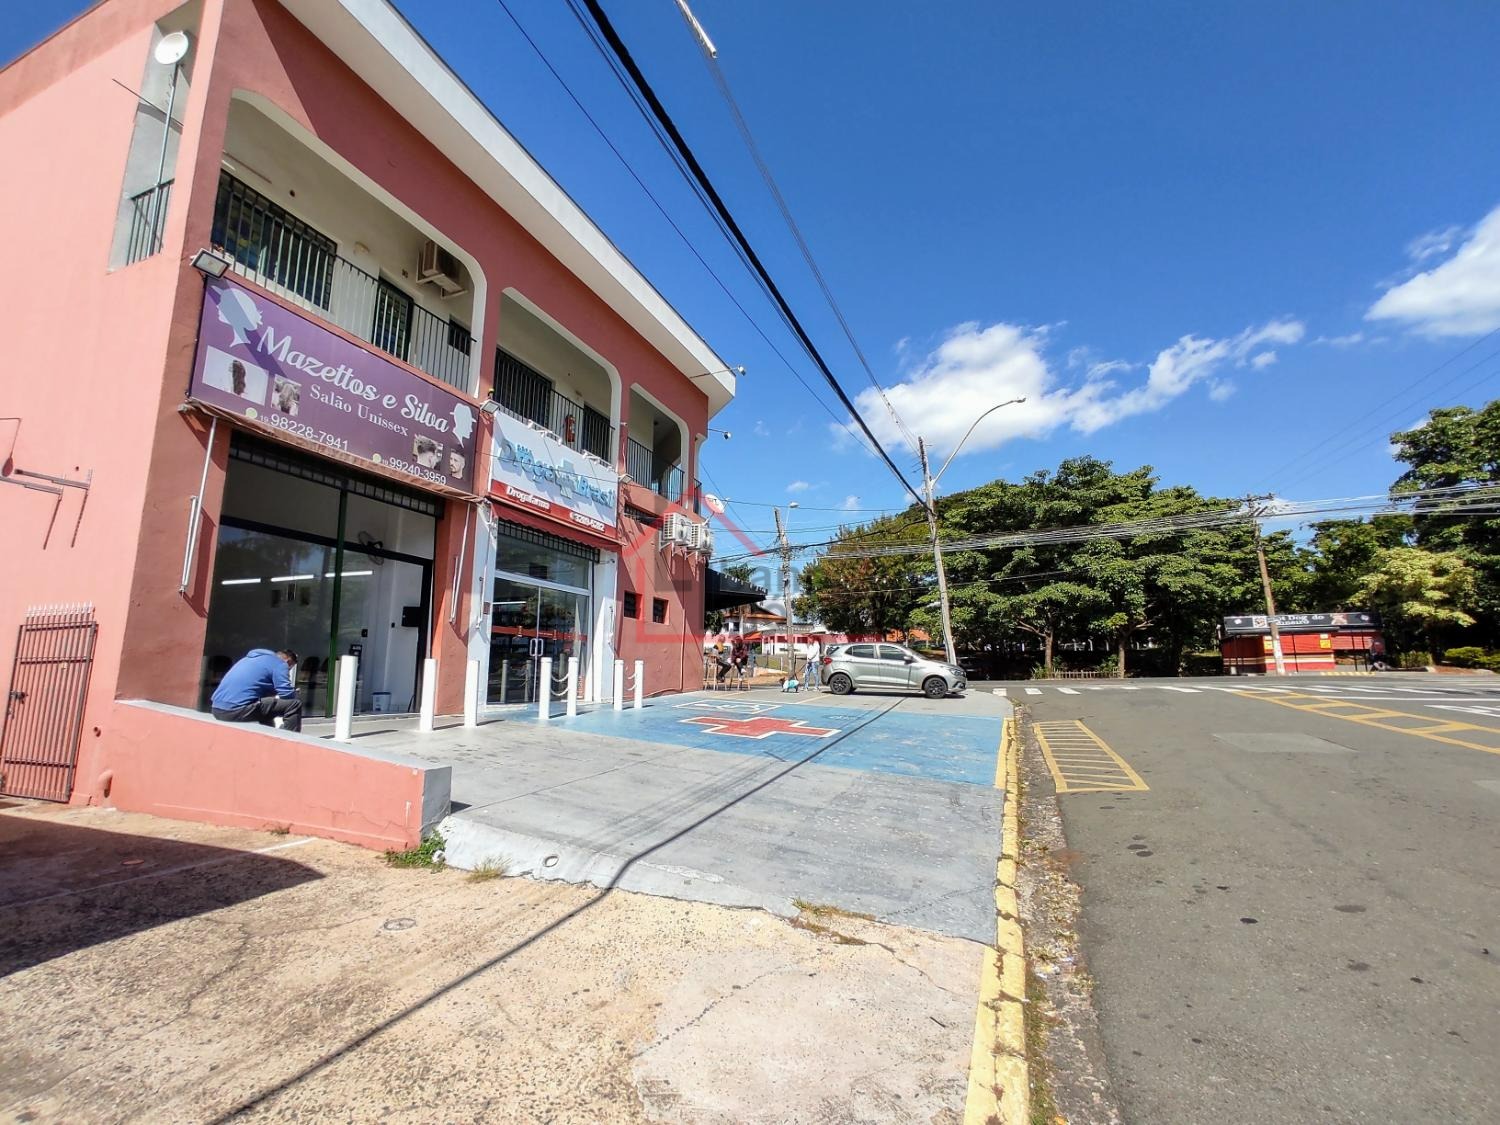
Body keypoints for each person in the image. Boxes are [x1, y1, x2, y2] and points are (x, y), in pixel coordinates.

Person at [211, 648, 303, 732]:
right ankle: (290, 739)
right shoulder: (280, 664)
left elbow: (254, 687)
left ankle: (269, 735)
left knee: (267, 707)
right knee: (294, 704)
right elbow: (286, 694)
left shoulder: (248, 659)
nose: (287, 671)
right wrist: (294, 693)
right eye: (289, 668)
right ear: (288, 661)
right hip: (235, 711)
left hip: (216, 709)